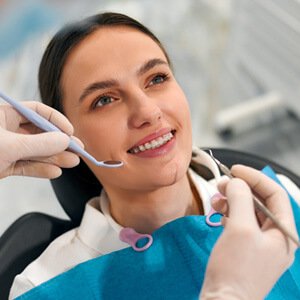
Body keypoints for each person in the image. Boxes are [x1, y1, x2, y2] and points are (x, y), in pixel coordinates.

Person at [2, 12, 298, 299]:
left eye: (156, 78)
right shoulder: (45, 287)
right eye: (104, 100)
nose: (148, 111)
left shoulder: (282, 203)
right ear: (66, 139)